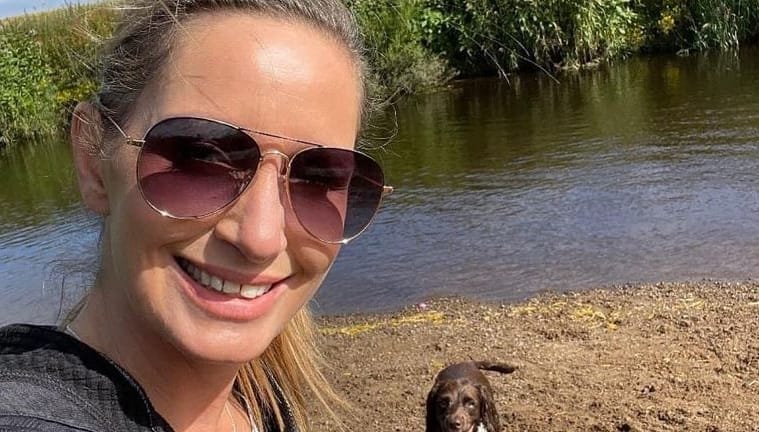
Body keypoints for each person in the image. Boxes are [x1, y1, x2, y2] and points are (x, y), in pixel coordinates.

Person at [0, 1, 392, 431]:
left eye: (318, 179)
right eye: (200, 158)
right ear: (93, 161)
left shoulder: (258, 395)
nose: (260, 239)